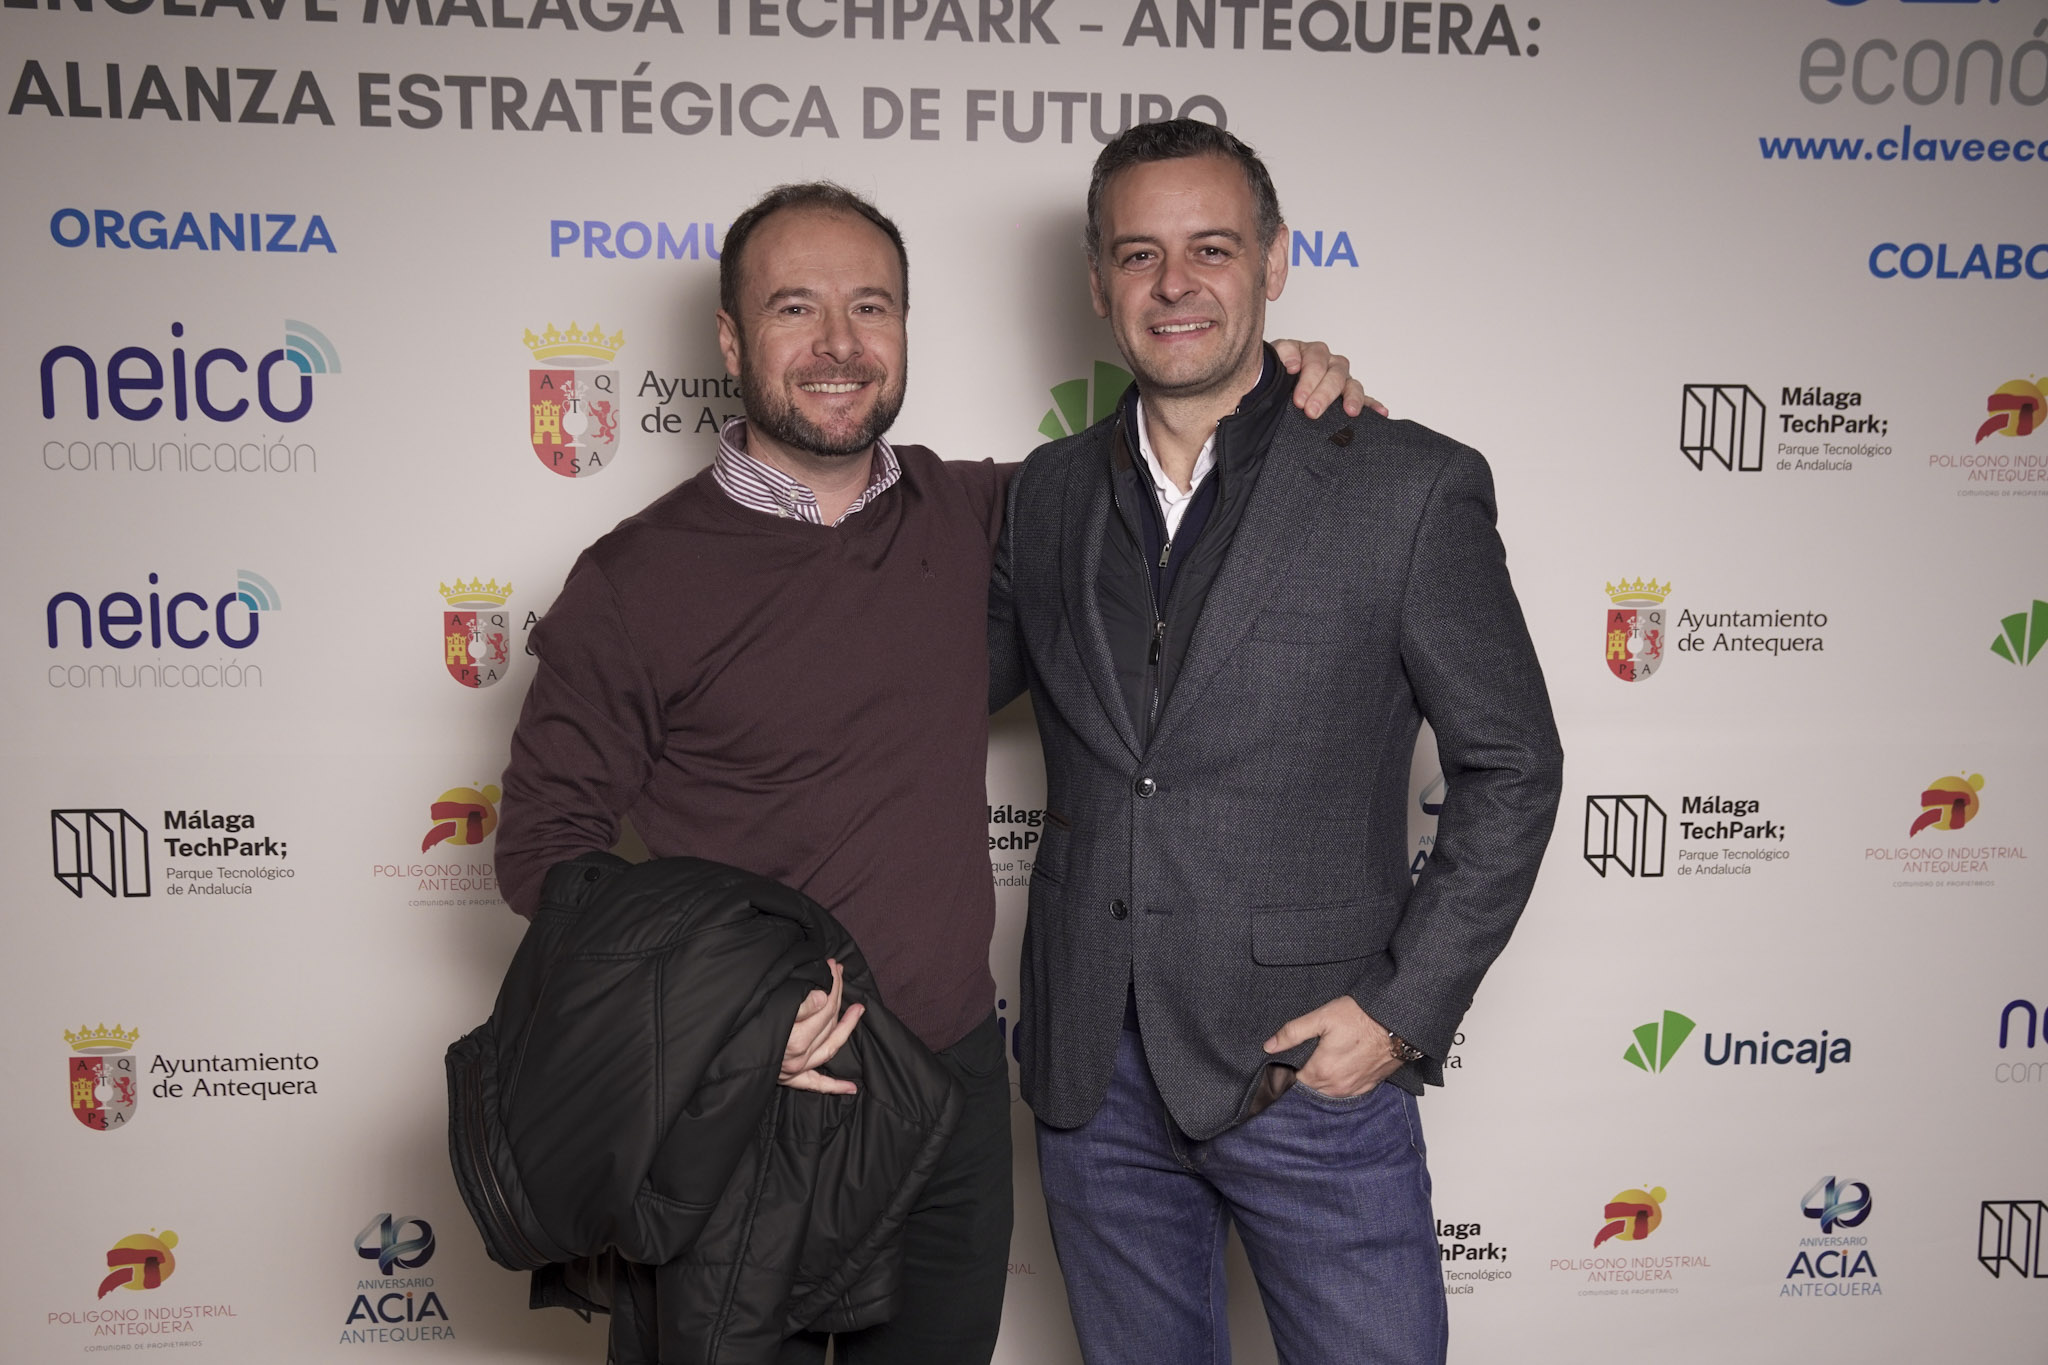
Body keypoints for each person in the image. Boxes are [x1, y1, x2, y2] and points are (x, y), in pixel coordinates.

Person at [492, 179, 1370, 1365]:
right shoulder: (633, 579)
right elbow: (545, 852)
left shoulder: (990, 514)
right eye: (795, 309)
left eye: (871, 307)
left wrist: (1276, 377)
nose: (839, 345)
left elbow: (1182, 457)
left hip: (948, 1093)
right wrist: (729, 1013)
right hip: (740, 1101)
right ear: (731, 342)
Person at [988, 120, 1564, 1365]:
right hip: (1093, 1079)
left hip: (1307, 1069)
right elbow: (914, 677)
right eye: (1137, 254)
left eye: (1211, 248)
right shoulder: (1041, 495)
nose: (1173, 284)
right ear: (1095, 282)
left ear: (1275, 261)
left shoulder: (1405, 485)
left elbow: (1512, 766)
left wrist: (1398, 1015)